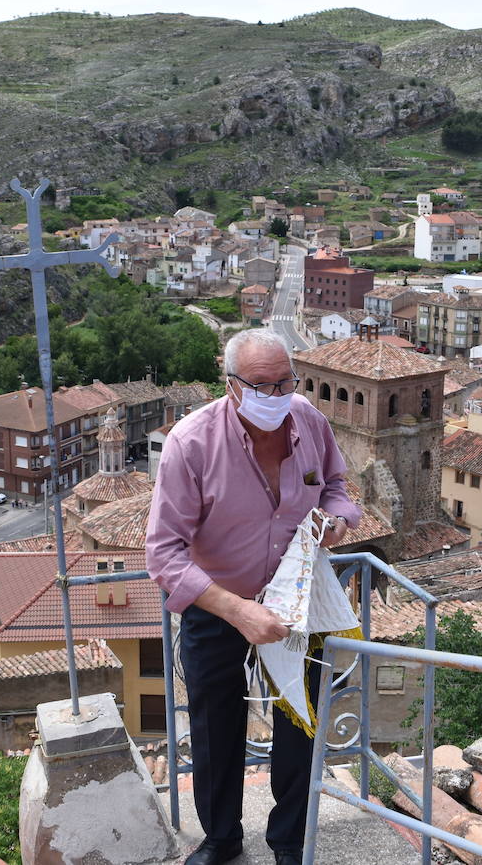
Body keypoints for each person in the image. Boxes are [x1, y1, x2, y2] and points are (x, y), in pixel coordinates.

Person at [146, 328, 360, 865]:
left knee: (297, 722)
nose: (276, 394)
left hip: (297, 603)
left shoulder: (309, 420)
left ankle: (288, 840)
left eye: (286, 381)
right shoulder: (190, 443)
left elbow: (336, 485)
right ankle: (221, 839)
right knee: (216, 728)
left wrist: (337, 520)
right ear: (231, 384)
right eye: (261, 385)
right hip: (219, 606)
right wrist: (239, 610)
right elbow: (163, 554)